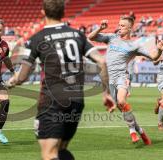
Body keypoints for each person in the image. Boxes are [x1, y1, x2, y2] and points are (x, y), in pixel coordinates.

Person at [6, 0, 114, 159]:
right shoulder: (78, 35)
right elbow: (102, 61)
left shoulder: (37, 38)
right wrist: (106, 93)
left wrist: (11, 81)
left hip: (52, 102)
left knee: (49, 154)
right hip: (76, 101)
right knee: (61, 150)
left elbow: (22, 77)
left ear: (43, 12)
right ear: (64, 12)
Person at [88, 16, 163, 145]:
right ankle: (141, 132)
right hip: (110, 79)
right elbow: (91, 37)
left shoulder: (134, 45)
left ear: (130, 28)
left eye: (122, 26)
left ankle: (132, 132)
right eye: (119, 25)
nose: (119, 27)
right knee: (122, 108)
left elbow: (153, 57)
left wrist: (159, 49)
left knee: (122, 100)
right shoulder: (111, 38)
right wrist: (100, 29)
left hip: (122, 77)